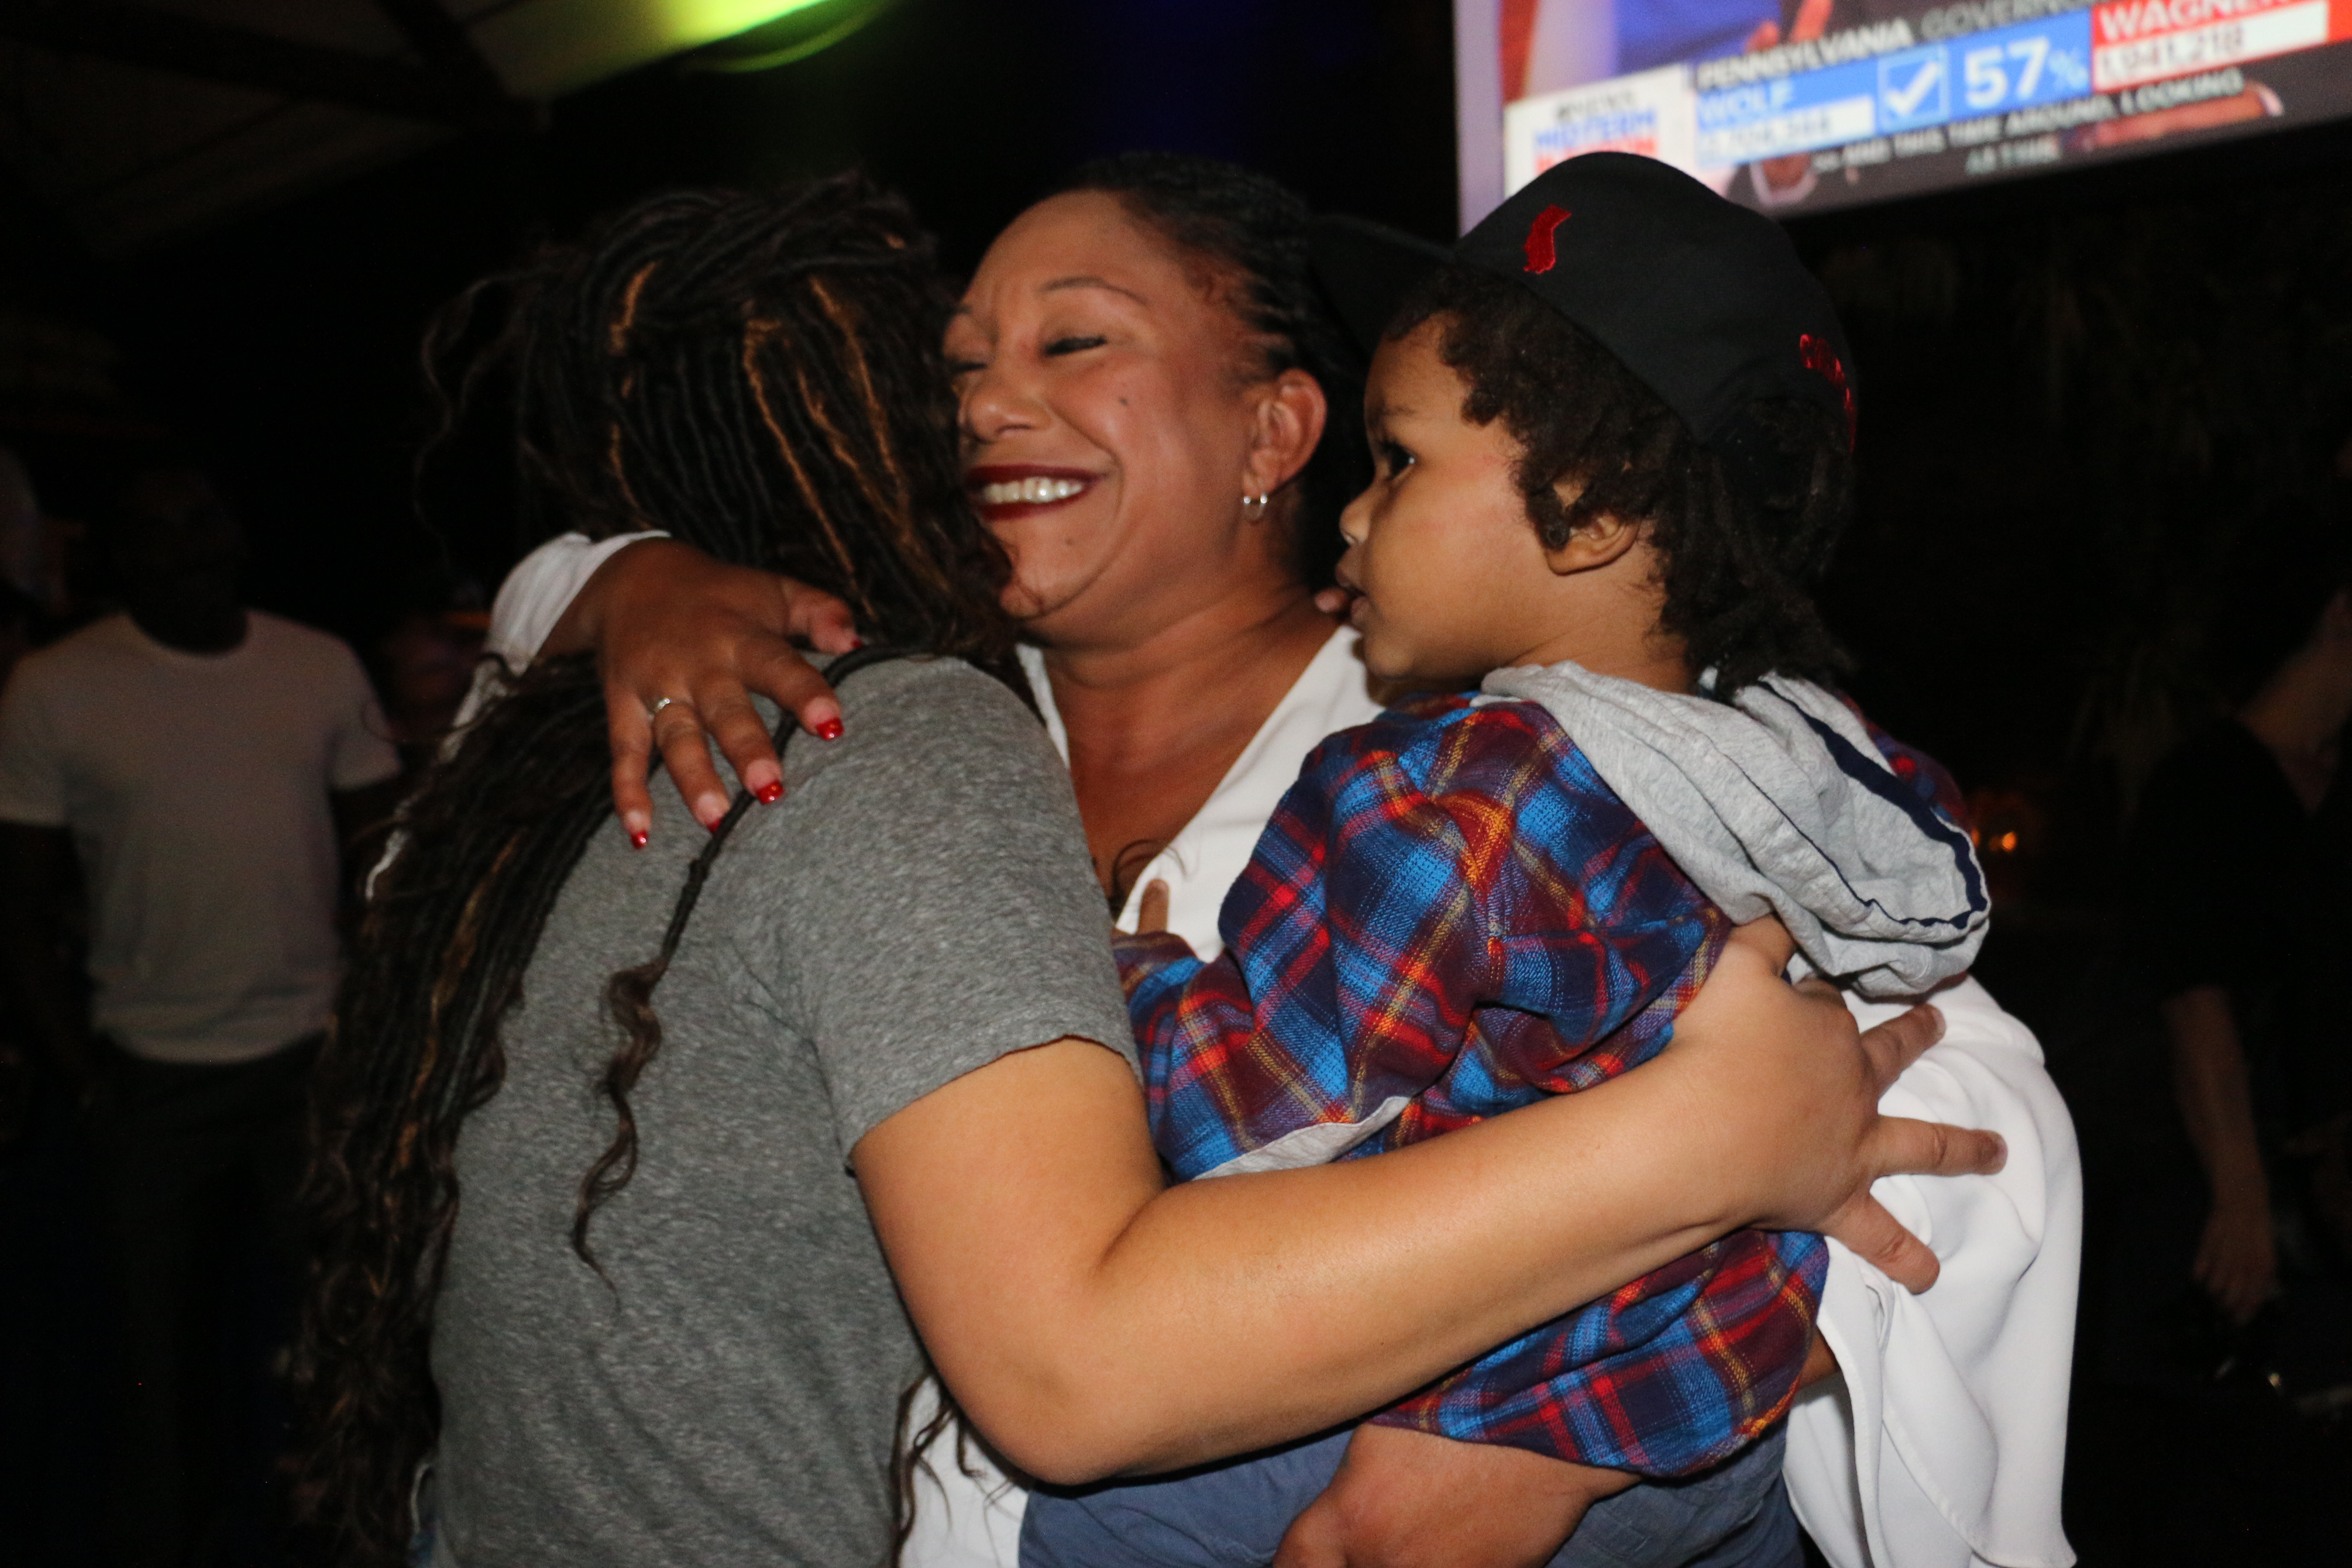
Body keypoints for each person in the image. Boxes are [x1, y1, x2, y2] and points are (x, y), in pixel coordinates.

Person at [306, 172, 2000, 1568]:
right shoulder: (886, 709)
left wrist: (1561, 1440)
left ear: (1277, 430)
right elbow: (533, 645)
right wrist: (637, 579)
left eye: (1073, 339)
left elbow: (1929, 1108)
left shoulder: (1478, 747)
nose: (985, 402)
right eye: (959, 363)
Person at [1022, 152, 1993, 1568]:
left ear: (1588, 505)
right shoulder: (1811, 769)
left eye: (1400, 460)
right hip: (1702, 1422)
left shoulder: (1444, 797)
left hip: (1451, 1409)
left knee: (1084, 1514)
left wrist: (1112, 971)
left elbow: (1253, 1121)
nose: (1356, 513)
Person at [0, 467, 403, 1568]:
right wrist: (85, 1080)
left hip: (309, 1062)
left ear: (239, 535)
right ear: (114, 556)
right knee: (153, 1362)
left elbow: (389, 868)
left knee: (341, 1341)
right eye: (155, 531)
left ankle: (338, 1538)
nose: (186, 548)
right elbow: (17, 910)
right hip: (152, 1070)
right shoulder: (55, 688)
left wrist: (372, 1041)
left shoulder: (317, 666)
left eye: (203, 521)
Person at [2126, 519, 2352, 1400]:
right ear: (2341, 614)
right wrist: (2242, 1198)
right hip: (2230, 1202)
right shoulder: (2207, 785)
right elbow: (2195, 999)